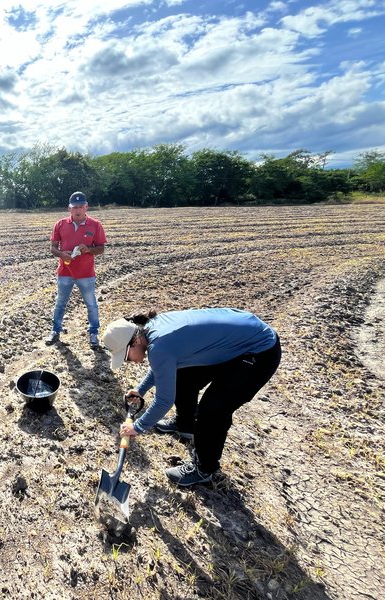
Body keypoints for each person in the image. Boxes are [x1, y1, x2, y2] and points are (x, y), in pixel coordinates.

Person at [102, 307, 281, 487]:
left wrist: (137, 427)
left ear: (135, 340)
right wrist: (141, 389)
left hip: (259, 351)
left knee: (212, 410)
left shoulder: (159, 346)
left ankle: (204, 469)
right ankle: (185, 425)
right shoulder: (154, 329)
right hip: (236, 341)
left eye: (125, 356)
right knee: (184, 377)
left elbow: (164, 400)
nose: (128, 361)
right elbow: (165, 364)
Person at [45, 191, 107, 347]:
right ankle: (55, 331)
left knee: (91, 303)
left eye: (81, 206)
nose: (78, 210)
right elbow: (52, 248)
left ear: (86, 207)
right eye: (74, 207)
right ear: (69, 208)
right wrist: (61, 254)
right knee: (60, 302)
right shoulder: (60, 224)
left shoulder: (95, 225)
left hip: (86, 274)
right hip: (64, 272)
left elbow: (101, 248)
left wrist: (88, 249)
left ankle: (93, 333)